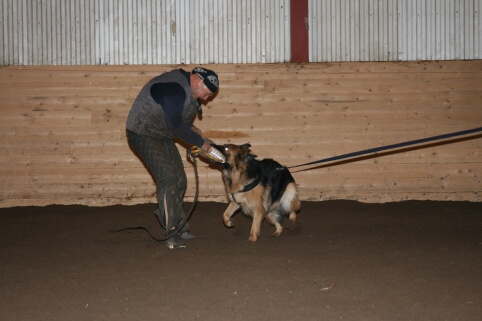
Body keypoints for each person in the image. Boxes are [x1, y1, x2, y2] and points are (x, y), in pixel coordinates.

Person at [126, 67, 220, 249]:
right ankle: (172, 232)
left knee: (180, 180)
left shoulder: (192, 95)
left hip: (162, 134)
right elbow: (176, 124)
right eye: (206, 93)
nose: (205, 99)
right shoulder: (173, 88)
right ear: (199, 82)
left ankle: (181, 226)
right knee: (168, 177)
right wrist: (201, 144)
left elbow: (181, 121)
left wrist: (193, 132)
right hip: (142, 132)